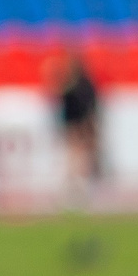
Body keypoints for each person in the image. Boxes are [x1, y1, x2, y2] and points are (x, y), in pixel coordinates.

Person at [47, 48, 101, 193]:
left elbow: (88, 106)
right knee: (74, 156)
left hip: (80, 126)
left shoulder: (82, 84)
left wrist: (87, 125)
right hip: (73, 126)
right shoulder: (70, 84)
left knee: (81, 156)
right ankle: (75, 183)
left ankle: (82, 182)